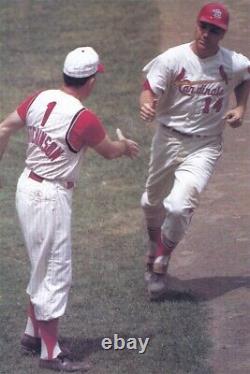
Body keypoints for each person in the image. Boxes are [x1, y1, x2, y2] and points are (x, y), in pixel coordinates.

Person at [0, 46, 139, 371]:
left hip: (26, 188)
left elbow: (4, 127)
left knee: (41, 263)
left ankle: (31, 334)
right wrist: (125, 146)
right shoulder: (83, 117)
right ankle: (50, 354)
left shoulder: (39, 98)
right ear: (90, 80)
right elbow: (107, 151)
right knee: (55, 272)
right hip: (49, 198)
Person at [139, 2, 250, 300]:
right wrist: (146, 103)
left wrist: (240, 107)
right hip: (168, 138)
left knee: (178, 205)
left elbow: (245, 77)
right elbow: (149, 86)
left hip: (205, 144)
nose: (207, 33)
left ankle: (161, 263)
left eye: (215, 30)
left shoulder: (233, 62)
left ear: (222, 33)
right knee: (151, 202)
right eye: (204, 26)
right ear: (196, 25)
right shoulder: (173, 58)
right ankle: (153, 249)